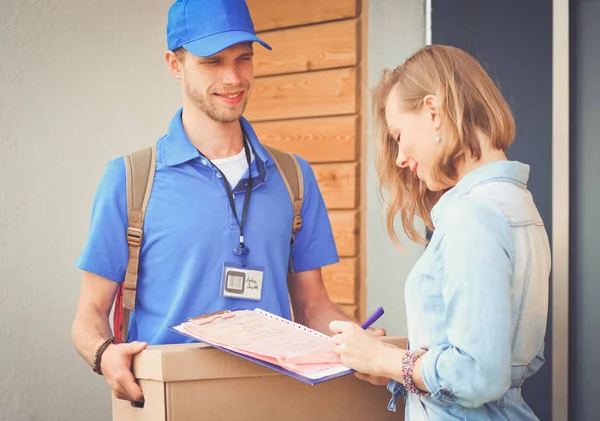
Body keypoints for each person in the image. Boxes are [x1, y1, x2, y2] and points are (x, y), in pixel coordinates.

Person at [71, 0, 354, 404]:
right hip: (167, 400)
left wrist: (357, 339)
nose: (233, 77)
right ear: (175, 64)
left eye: (244, 58)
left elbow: (313, 305)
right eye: (213, 61)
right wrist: (104, 354)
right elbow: (89, 315)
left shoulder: (294, 177)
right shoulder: (132, 180)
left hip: (274, 401)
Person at [330, 45, 551, 420]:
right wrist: (390, 370)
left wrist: (383, 357)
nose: (399, 157)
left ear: (433, 111)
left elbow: (478, 375)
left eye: (398, 135)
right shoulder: (518, 204)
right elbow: (503, 358)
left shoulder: (472, 215)